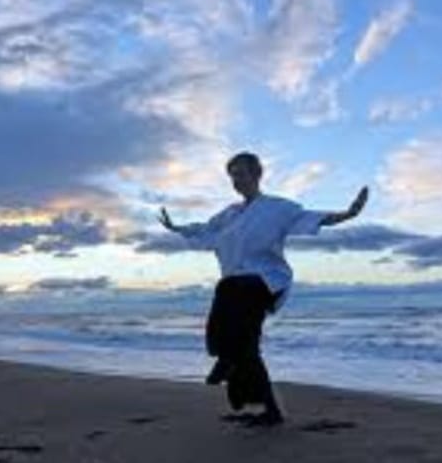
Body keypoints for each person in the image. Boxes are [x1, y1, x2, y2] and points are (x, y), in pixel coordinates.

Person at [158, 151, 369, 426]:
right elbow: (203, 229)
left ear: (257, 175)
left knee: (227, 294)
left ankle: (224, 359)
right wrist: (176, 227)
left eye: (242, 174)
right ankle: (268, 410)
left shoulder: (277, 208)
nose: (237, 180)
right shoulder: (229, 214)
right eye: (232, 176)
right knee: (246, 349)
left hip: (266, 282)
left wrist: (349, 213)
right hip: (238, 289)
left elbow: (311, 218)